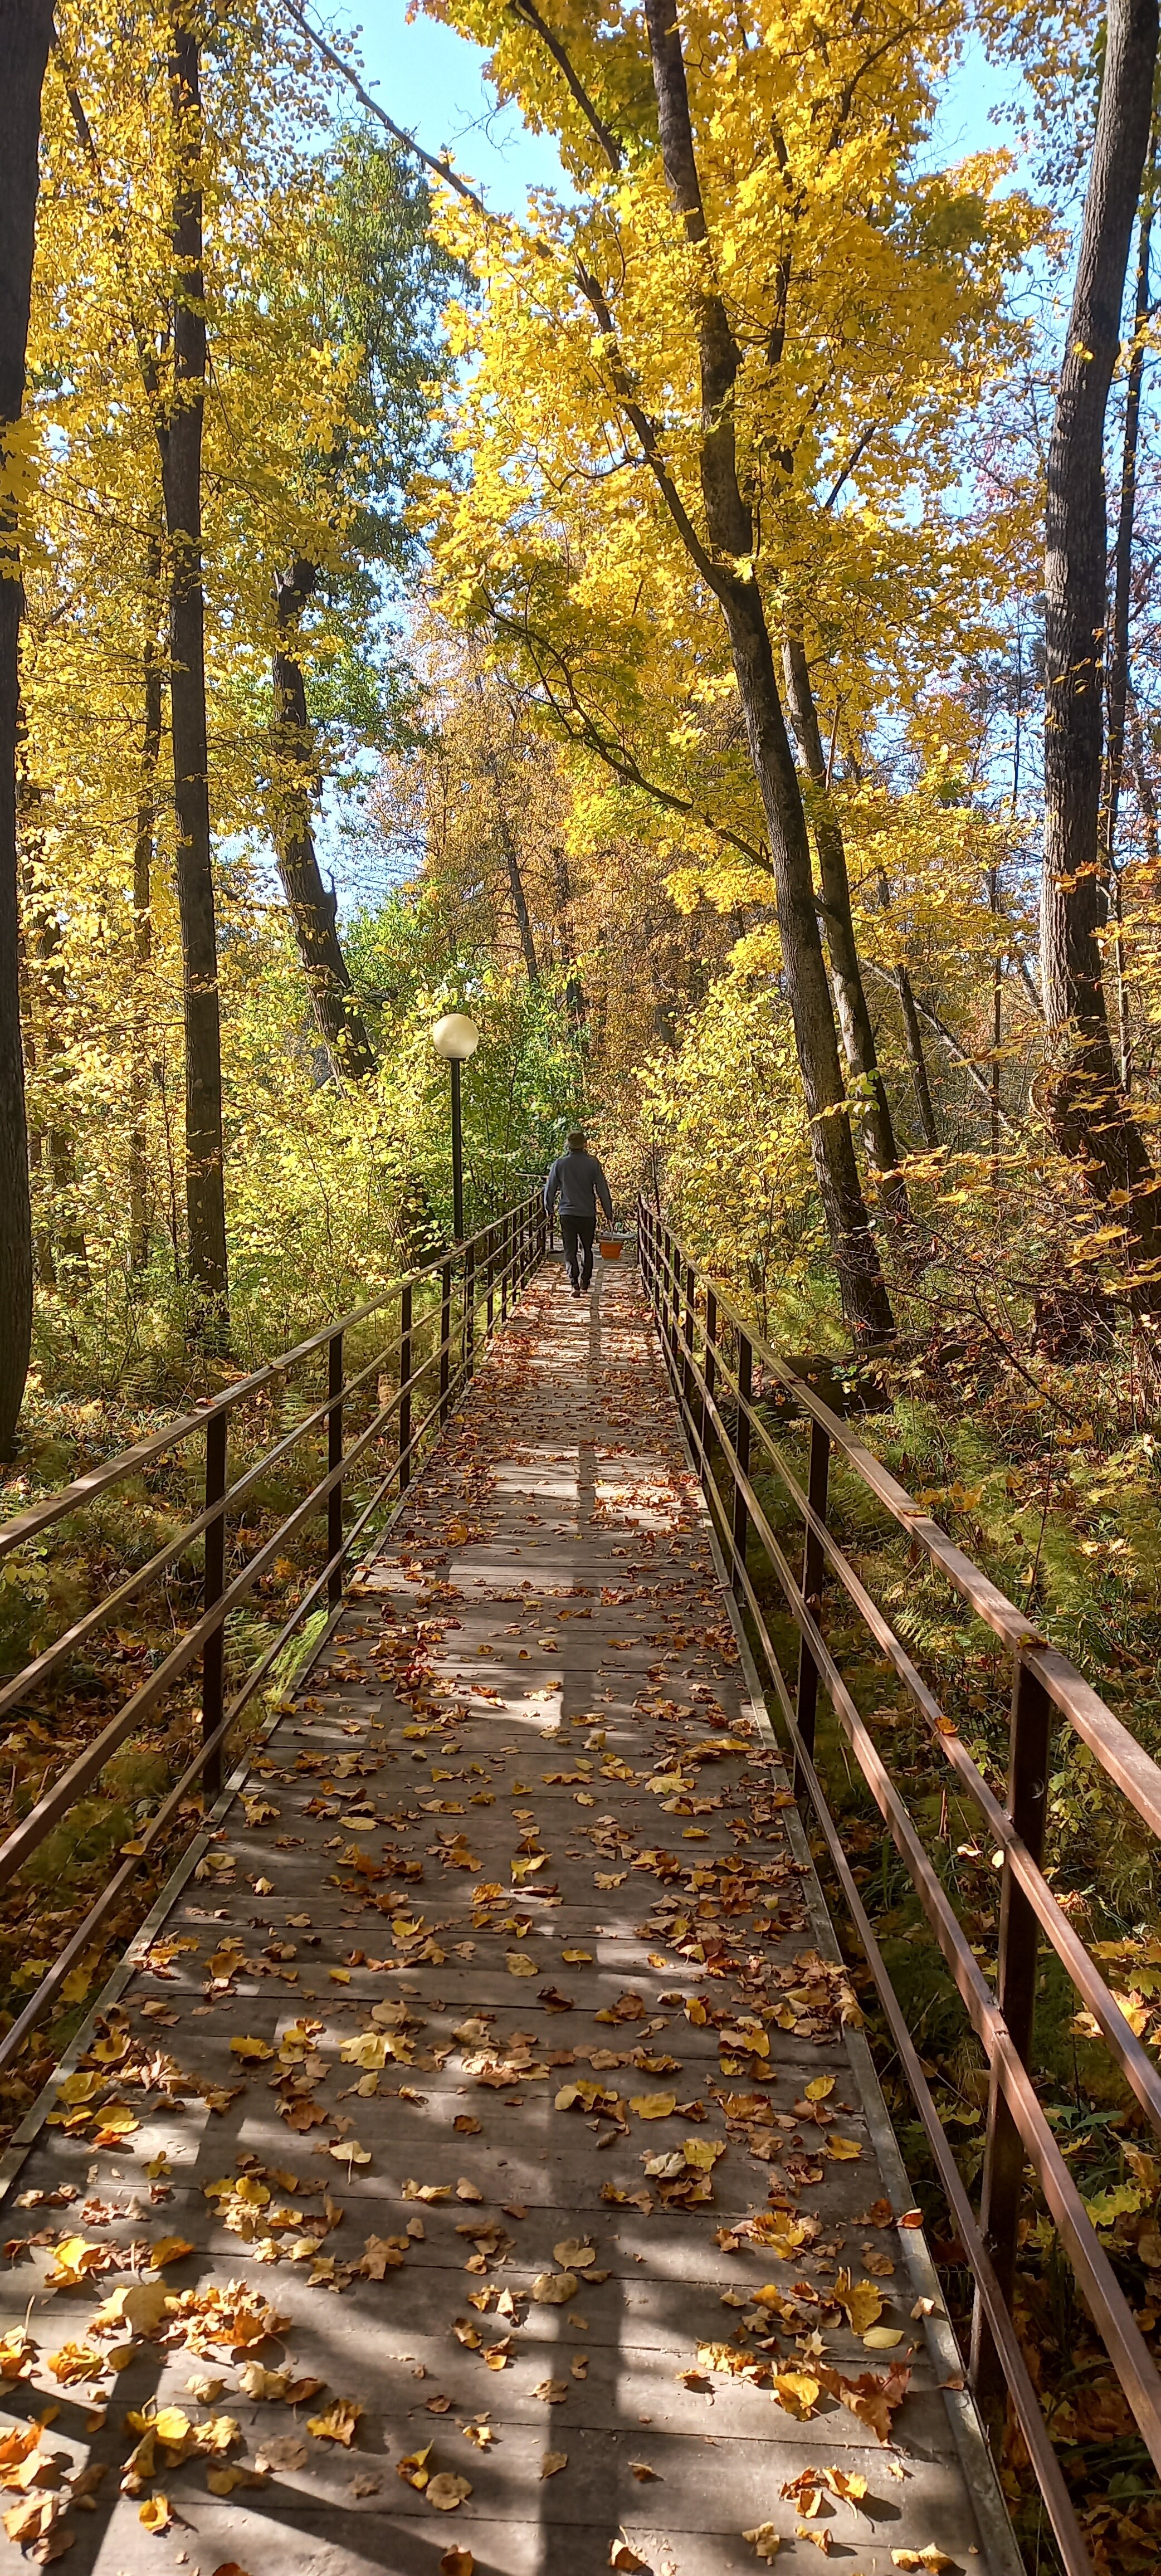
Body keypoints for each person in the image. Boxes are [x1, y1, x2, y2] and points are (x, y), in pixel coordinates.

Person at [544, 1130, 613, 1295]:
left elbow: (550, 1189)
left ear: (568, 1145)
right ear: (585, 1144)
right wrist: (608, 1212)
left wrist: (549, 1209)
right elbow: (603, 1190)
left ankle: (574, 1282)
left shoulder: (560, 1164)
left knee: (570, 1249)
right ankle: (585, 1281)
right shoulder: (593, 1164)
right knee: (587, 1248)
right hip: (588, 1213)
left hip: (567, 1214)